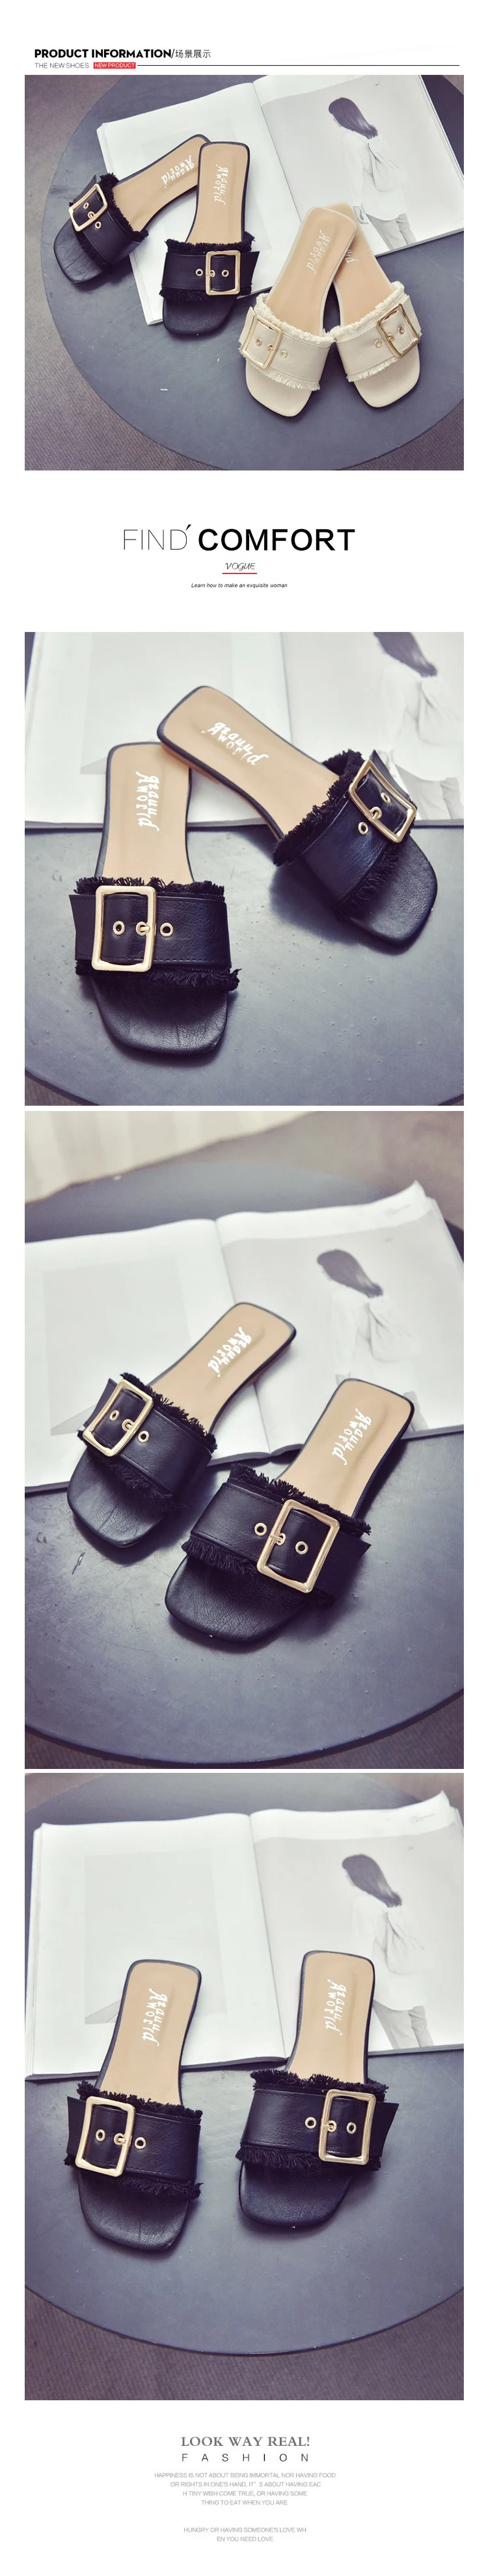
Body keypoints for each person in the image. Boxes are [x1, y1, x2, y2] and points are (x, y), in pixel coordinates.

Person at [342, 1852, 433, 2047]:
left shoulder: (362, 1903)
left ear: (358, 1875)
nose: (346, 1876)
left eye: (348, 1872)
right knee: (422, 2034)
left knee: (403, 2043)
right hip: (412, 1980)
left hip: (387, 1985)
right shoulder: (394, 1900)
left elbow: (361, 1949)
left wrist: (354, 1982)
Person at [374, 633, 463, 824]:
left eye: (379, 640)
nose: (378, 645)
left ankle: (449, 846)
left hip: (418, 760)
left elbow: (391, 719)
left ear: (390, 643)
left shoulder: (395, 673)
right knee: (457, 812)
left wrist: (382, 752)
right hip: (446, 755)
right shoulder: (428, 670)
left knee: (436, 819)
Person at [328, 96, 416, 252]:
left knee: (396, 245)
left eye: (334, 116)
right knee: (408, 234)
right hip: (394, 194)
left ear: (343, 116)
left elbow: (355, 174)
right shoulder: (374, 132)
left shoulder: (349, 140)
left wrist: (356, 203)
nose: (334, 120)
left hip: (377, 202)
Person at [316, 1248, 416, 1383]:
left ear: (335, 1269)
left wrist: (341, 1372)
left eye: (324, 1268)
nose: (322, 1272)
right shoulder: (377, 1291)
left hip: (369, 1369)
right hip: (399, 1366)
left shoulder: (341, 1296)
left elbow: (344, 1337)